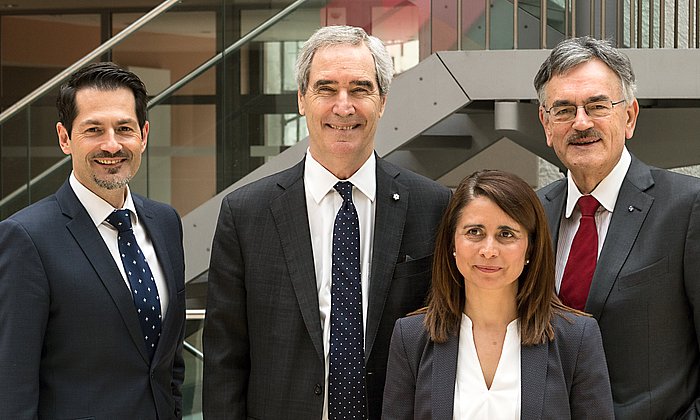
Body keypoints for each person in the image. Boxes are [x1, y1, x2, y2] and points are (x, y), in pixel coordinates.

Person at [202, 25, 451, 419]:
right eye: (326, 88)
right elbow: (224, 361)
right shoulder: (246, 214)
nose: (344, 106)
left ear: (383, 101)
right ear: (302, 99)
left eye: (360, 88)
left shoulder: (433, 207)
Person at [0, 62, 186, 418]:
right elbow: (12, 384)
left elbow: (168, 362)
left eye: (124, 128)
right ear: (64, 138)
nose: (112, 144)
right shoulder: (25, 238)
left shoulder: (165, 223)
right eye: (94, 129)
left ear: (144, 135)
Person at [535, 36, 700, 419]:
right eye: (563, 109)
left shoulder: (688, 208)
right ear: (545, 124)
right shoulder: (532, 216)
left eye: (597, 105)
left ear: (629, 117)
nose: (581, 122)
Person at [382, 169, 614, 419]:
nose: (489, 250)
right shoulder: (411, 337)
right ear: (452, 243)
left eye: (506, 234)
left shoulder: (576, 338)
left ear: (530, 248)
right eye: (474, 232)